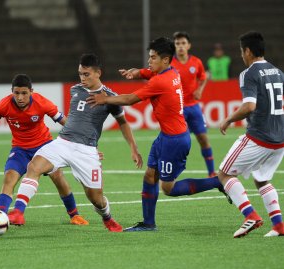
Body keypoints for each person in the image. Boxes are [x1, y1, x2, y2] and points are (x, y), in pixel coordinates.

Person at [87, 37, 228, 232]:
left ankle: (218, 181)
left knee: (168, 189)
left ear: (165, 59)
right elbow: (148, 71)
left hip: (175, 141)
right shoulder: (173, 72)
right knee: (150, 175)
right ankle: (148, 223)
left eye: (153, 57)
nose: (149, 61)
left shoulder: (160, 81)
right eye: (149, 57)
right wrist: (138, 73)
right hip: (166, 136)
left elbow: (129, 99)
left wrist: (105, 99)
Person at [7, 53, 143, 232]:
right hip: (62, 143)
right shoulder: (75, 90)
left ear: (98, 73)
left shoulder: (110, 97)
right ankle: (18, 212)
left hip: (86, 151)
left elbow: (123, 123)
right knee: (34, 166)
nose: (82, 78)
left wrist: (133, 148)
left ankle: (107, 218)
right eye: (80, 74)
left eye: (86, 74)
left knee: (96, 198)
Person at [0, 74, 88, 226]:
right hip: (20, 149)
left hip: (44, 146)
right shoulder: (3, 105)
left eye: (24, 93)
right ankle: (0, 216)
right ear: (12, 91)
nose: (20, 97)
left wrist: (81, 141)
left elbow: (63, 121)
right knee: (9, 178)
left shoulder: (42, 102)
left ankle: (74, 215)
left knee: (58, 178)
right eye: (16, 93)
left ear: (31, 91)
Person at [119, 31, 216, 177]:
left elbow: (204, 76)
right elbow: (148, 72)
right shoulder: (169, 64)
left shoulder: (196, 62)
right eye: (177, 43)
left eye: (183, 43)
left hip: (193, 106)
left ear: (189, 45)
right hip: (178, 111)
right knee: (178, 138)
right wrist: (135, 72)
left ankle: (212, 173)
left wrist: (200, 89)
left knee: (203, 139)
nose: (181, 46)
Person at [218, 31, 284, 237]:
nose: (241, 56)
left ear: (248, 51)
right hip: (280, 139)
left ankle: (250, 216)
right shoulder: (278, 72)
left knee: (224, 173)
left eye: (241, 51)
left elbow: (249, 106)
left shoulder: (249, 73)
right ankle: (279, 225)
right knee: (262, 179)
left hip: (259, 136)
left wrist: (228, 119)